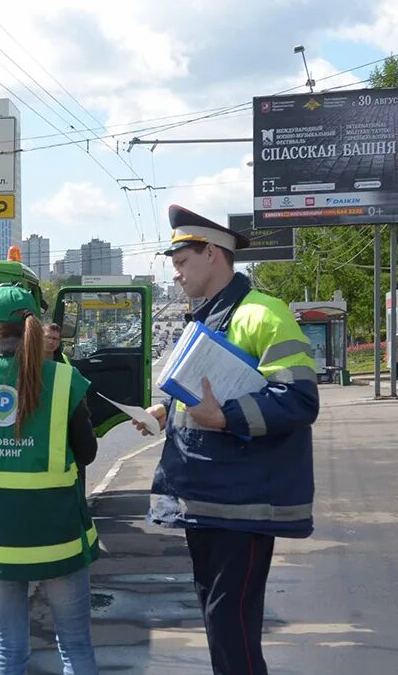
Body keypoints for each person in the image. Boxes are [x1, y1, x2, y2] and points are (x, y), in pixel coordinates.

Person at [135, 205, 320, 675]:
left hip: (243, 504)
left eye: (181, 264)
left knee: (231, 628)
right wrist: (166, 410)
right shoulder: (210, 318)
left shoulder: (262, 313)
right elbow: (212, 391)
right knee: (222, 625)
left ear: (212, 254)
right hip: (210, 501)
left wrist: (225, 417)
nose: (175, 275)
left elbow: (300, 400)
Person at [0, 284, 100, 675]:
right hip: (58, 536)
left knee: (10, 649)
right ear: (35, 326)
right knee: (74, 646)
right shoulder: (63, 380)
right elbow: (89, 452)